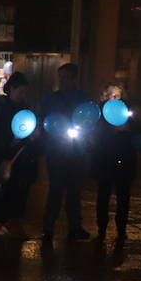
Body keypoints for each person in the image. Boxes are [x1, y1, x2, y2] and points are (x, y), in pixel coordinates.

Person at [40, 63, 93, 243]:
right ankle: (49, 228)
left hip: (75, 151)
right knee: (56, 190)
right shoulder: (52, 98)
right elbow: (43, 120)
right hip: (57, 151)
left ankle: (73, 227)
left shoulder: (83, 99)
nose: (62, 81)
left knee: (74, 192)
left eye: (65, 78)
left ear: (74, 78)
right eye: (60, 77)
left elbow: (90, 121)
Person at [0, 72, 29, 235]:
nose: (22, 95)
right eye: (20, 91)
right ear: (11, 89)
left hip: (18, 156)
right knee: (1, 188)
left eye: (25, 92)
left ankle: (9, 220)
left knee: (16, 189)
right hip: (1, 156)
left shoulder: (24, 107)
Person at [91, 82, 137, 242]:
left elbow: (135, 137)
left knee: (123, 197)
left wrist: (127, 131)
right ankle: (102, 229)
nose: (115, 98)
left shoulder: (127, 114)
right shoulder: (100, 115)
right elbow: (95, 137)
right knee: (103, 196)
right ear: (106, 97)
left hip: (124, 161)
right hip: (105, 161)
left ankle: (121, 229)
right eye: (112, 95)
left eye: (118, 96)